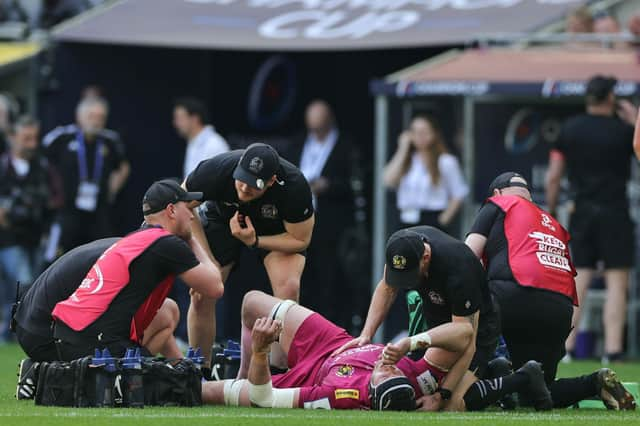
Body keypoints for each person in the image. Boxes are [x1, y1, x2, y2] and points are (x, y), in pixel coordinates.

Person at [202, 290, 556, 412]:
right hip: (337, 343)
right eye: (397, 369)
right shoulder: (416, 377)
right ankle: (245, 369)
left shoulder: (340, 395)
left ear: (372, 388)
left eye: (387, 371)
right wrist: (416, 344)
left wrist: (261, 354)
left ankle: (245, 373)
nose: (391, 364)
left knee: (206, 393)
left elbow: (266, 400)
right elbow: (465, 336)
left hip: (309, 374)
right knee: (252, 302)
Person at [466, 172, 636, 410]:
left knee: (464, 300)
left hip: (511, 298)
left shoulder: (498, 204)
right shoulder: (551, 221)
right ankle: (593, 383)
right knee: (537, 389)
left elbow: (467, 258)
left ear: (496, 194)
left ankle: (494, 374)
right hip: (560, 311)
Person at [49, 179, 223, 361]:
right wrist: (191, 238)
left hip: (66, 332)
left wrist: (181, 366)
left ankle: (173, 373)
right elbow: (215, 288)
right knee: (162, 380)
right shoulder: (166, 243)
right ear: (171, 210)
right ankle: (132, 382)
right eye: (188, 208)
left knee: (168, 311)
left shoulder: (137, 238)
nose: (192, 217)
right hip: (94, 340)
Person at [334, 226, 501, 411]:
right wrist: (366, 334)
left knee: (449, 406)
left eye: (409, 276)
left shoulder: (459, 269)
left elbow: (467, 341)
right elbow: (387, 288)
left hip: (477, 334)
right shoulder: (401, 247)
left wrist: (441, 395)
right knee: (418, 390)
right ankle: (491, 371)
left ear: (426, 258)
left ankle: (517, 378)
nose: (405, 282)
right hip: (436, 326)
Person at [183, 142, 314, 369]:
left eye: (254, 185)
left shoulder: (294, 186)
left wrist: (255, 241)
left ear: (272, 181)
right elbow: (181, 204)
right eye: (241, 180)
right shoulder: (218, 168)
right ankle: (198, 369)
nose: (244, 189)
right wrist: (207, 260)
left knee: (288, 289)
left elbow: (301, 239)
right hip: (223, 220)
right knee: (202, 291)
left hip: (274, 230)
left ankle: (279, 370)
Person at [545, 75, 638, 363]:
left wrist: (549, 211)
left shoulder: (570, 130)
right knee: (617, 283)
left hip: (582, 211)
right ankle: (612, 350)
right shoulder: (623, 130)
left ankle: (567, 348)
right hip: (615, 211)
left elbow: (553, 177)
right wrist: (634, 119)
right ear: (611, 98)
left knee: (579, 280)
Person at [285, 100, 355, 325]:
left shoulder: (345, 145)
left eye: (319, 118)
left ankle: (330, 325)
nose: (314, 124)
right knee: (303, 274)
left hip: (331, 222)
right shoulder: (298, 143)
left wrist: (329, 185)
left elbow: (354, 184)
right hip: (299, 219)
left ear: (329, 118)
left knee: (330, 276)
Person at [43, 96, 130, 259]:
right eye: (91, 116)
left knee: (104, 255)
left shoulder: (110, 141)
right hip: (68, 210)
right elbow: (43, 162)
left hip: (99, 211)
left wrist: (113, 189)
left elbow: (123, 166)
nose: (96, 121)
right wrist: (52, 192)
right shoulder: (62, 137)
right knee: (59, 257)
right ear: (79, 117)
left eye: (101, 117)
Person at [0, 116, 62, 342]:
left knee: (29, 285)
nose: (31, 144)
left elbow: (56, 199)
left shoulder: (43, 168)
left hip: (35, 236)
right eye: (26, 138)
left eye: (34, 138)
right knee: (23, 281)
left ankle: (10, 332)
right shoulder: (3, 167)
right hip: (8, 238)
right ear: (12, 138)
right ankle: (20, 333)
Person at [383, 114, 468, 232]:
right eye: (415, 132)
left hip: (432, 218)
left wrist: (443, 219)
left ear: (433, 134)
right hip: (407, 218)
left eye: (424, 132)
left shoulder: (445, 161)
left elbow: (459, 192)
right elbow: (387, 181)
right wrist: (402, 149)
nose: (419, 136)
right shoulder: (408, 160)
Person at [173, 97, 229, 179]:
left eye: (180, 118)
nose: (175, 123)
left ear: (194, 119)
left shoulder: (215, 144)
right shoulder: (192, 143)